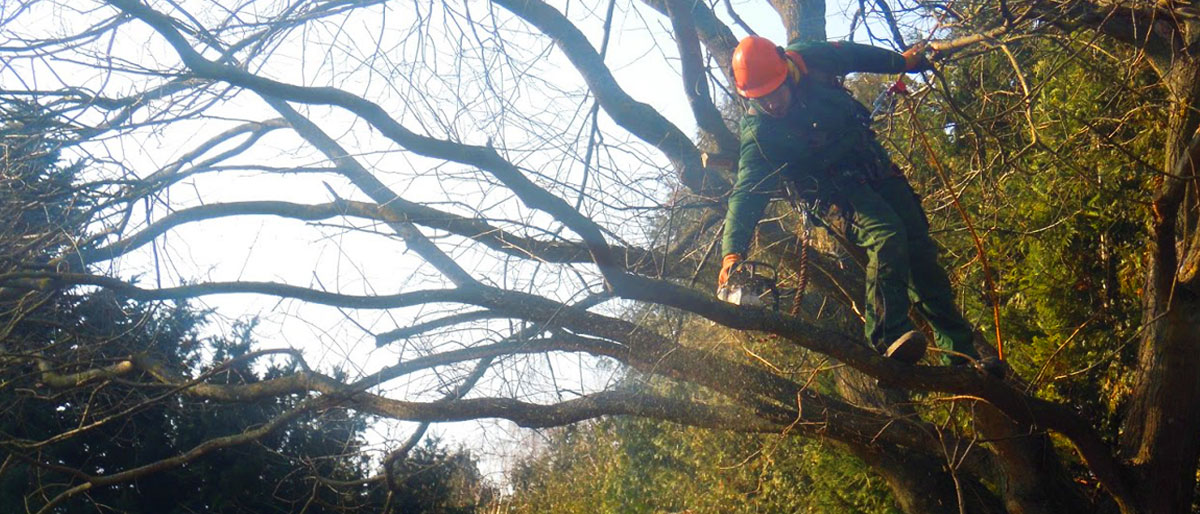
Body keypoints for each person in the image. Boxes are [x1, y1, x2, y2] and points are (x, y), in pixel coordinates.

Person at [716, 35, 980, 366]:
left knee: (919, 251)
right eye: (761, 99)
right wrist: (732, 252)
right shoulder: (759, 132)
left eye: (774, 93)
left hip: (871, 162)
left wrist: (902, 63)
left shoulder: (811, 57)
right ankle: (887, 337)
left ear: (785, 69)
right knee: (886, 235)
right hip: (832, 190)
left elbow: (856, 55)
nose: (771, 104)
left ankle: (962, 356)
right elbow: (747, 191)